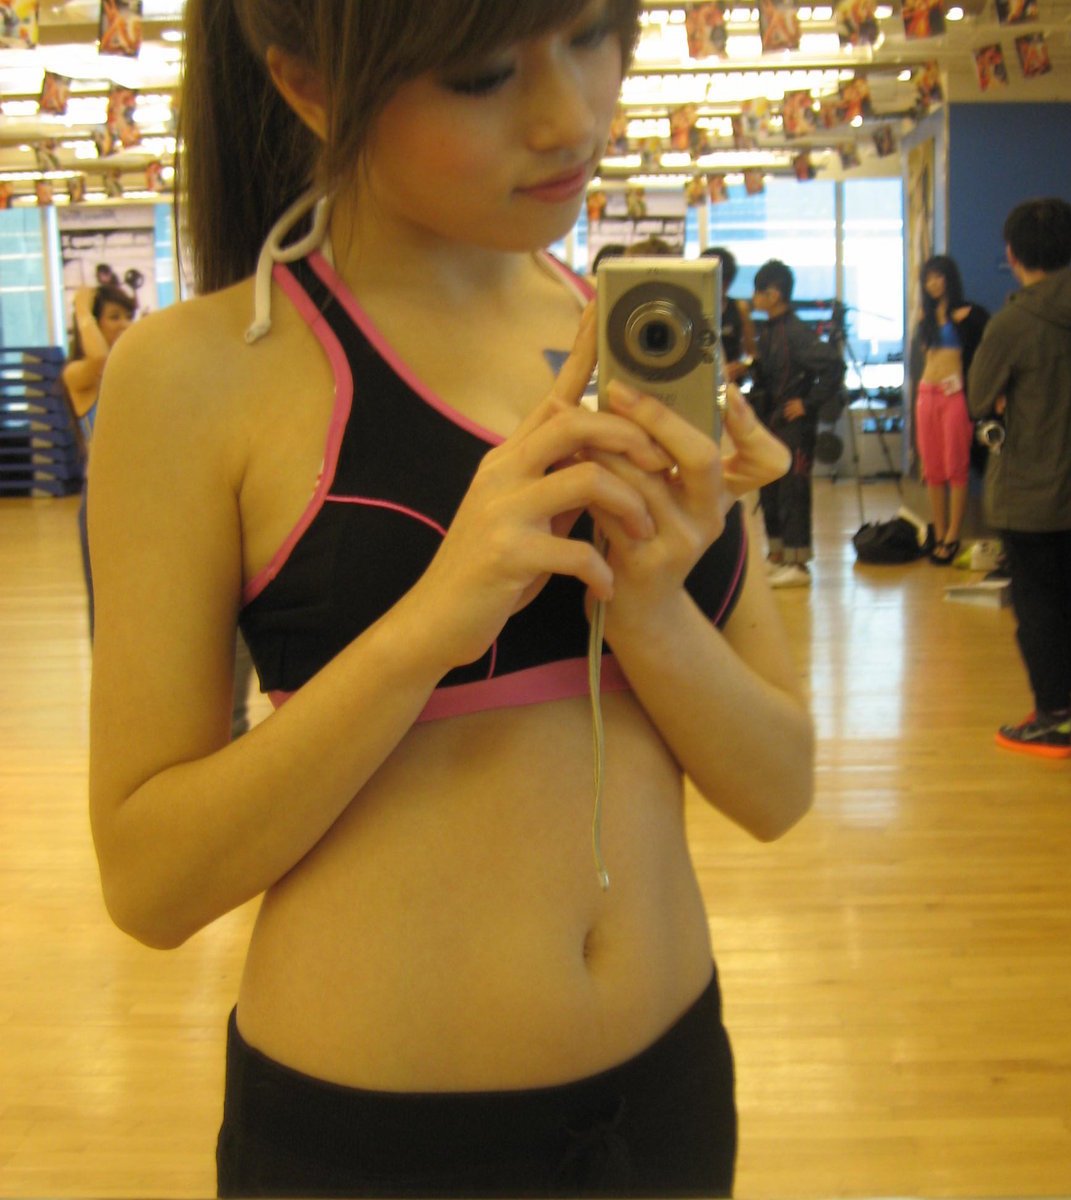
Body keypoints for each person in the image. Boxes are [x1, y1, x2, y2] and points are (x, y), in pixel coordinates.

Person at [85, 2, 810, 1196]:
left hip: (671, 1102)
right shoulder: (199, 374)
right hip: (372, 1145)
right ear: (310, 87)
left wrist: (648, 605)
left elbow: (780, 788)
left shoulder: (634, 339)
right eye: (482, 75)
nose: (569, 116)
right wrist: (431, 624)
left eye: (593, 34)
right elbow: (151, 883)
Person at [968, 197, 1071, 758]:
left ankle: (1052, 719)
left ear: (1012, 253)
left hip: (1026, 488)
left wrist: (1006, 396)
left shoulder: (1013, 322)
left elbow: (979, 397)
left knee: (1036, 608)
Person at [750, 259, 845, 588]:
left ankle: (798, 563)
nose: (753, 298)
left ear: (774, 295)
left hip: (795, 427)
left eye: (758, 292)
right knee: (770, 489)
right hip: (771, 423)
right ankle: (777, 554)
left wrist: (807, 403)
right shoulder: (769, 331)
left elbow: (834, 366)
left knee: (793, 491)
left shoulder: (796, 332)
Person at [62, 283, 135, 635]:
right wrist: (81, 308)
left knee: (140, 596)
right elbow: (97, 359)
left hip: (139, 497)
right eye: (114, 317)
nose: (125, 324)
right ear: (92, 323)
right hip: (102, 500)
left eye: (128, 316)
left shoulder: (128, 370)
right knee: (105, 605)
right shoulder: (78, 374)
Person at [910, 255, 989, 565]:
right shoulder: (924, 318)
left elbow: (987, 353)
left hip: (954, 396)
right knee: (932, 469)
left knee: (956, 465)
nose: (933, 283)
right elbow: (922, 360)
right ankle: (940, 531)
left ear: (949, 278)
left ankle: (953, 534)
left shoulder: (970, 314)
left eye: (938, 276)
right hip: (926, 394)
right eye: (928, 278)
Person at [701, 246, 758, 386]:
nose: (720, 289)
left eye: (725, 284)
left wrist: (743, 366)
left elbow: (752, 353)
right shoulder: (690, 309)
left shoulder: (739, 308)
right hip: (700, 382)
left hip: (731, 383)